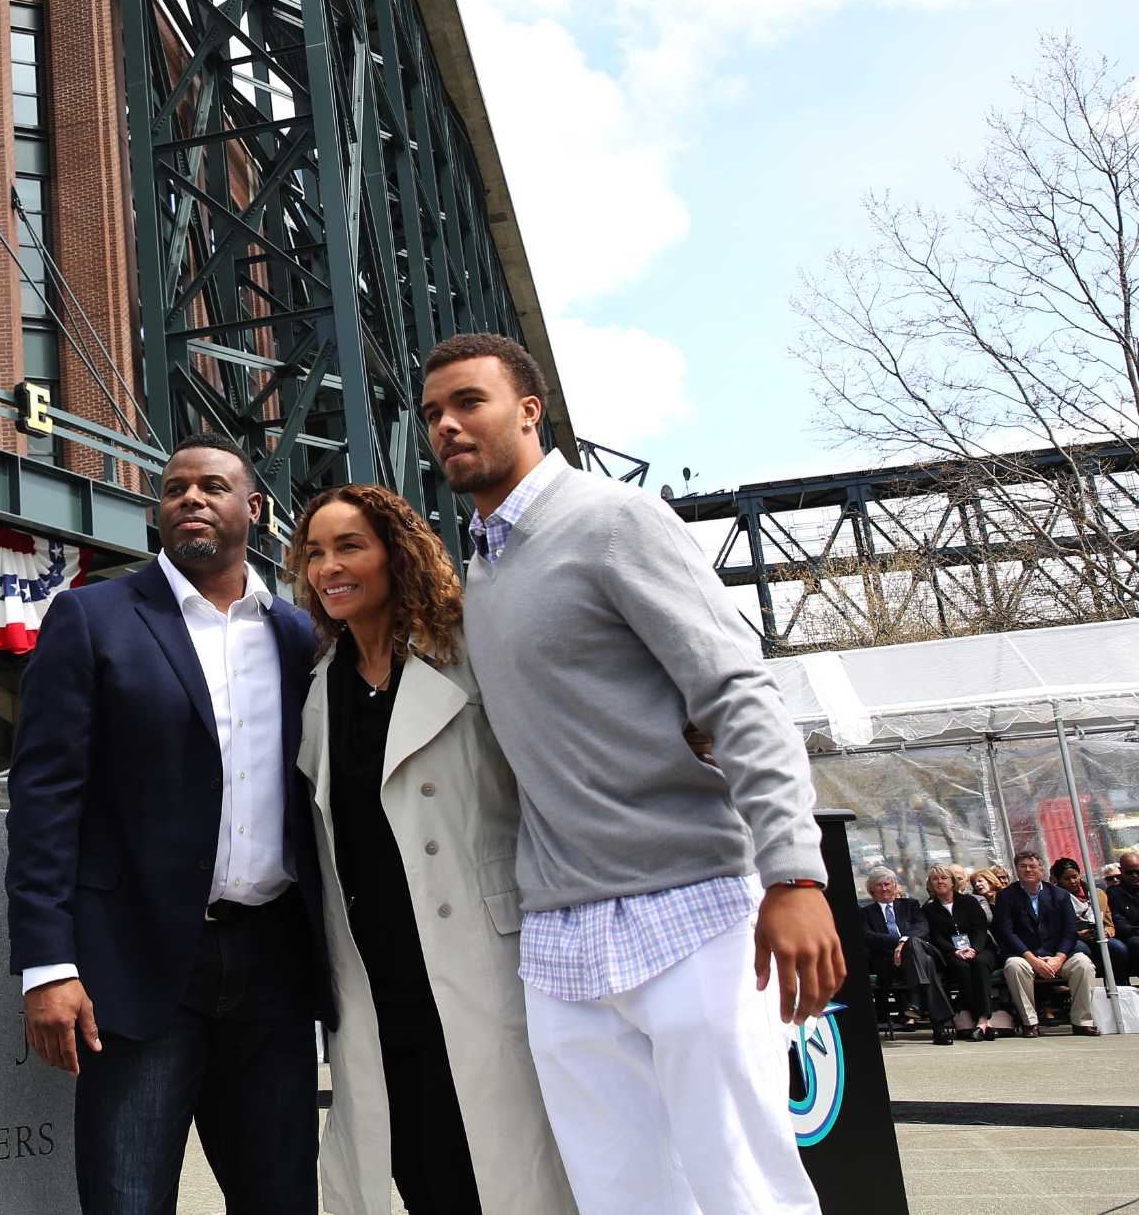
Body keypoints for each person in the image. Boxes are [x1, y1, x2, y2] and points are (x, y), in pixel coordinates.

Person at [421, 333, 839, 1215]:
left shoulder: (615, 518)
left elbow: (736, 690)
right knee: (622, 1200)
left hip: (691, 906)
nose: (447, 425)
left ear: (530, 410)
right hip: (561, 938)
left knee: (745, 1190)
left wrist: (794, 873)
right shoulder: (486, 572)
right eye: (432, 415)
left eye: (469, 402)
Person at [5, 433, 330, 1214]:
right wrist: (47, 963)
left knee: (282, 1197)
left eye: (212, 486)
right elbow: (46, 796)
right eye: (175, 487)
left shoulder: (298, 635)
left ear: (253, 508)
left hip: (273, 970)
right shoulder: (92, 617)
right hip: (140, 967)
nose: (190, 497)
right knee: (127, 1199)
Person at [287, 484, 574, 1215]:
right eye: (315, 552)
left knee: (517, 1175)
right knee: (424, 1172)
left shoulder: (471, 649)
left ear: (397, 552)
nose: (329, 567)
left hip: (485, 963)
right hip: (379, 984)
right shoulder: (319, 688)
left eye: (350, 545)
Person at [992, 851, 1099, 1037]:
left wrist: (1059, 958)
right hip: (1026, 955)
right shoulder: (1006, 896)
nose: (1028, 870)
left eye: (1032, 866)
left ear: (1042, 869)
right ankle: (1030, 1023)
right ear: (1016, 870)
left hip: (1057, 954)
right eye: (1023, 866)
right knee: (1014, 967)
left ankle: (1082, 1021)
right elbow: (1006, 932)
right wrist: (1033, 960)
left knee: (1083, 964)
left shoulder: (1059, 895)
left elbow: (1070, 931)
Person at [860, 869, 956, 1044]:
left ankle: (915, 1001)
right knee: (926, 963)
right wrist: (900, 943)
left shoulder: (910, 905)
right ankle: (938, 1026)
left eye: (887, 884)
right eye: (879, 885)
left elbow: (922, 928)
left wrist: (905, 943)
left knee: (915, 945)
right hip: (890, 963)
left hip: (919, 951)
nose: (884, 888)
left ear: (895, 886)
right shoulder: (865, 912)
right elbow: (868, 937)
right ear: (871, 890)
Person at [921, 866, 996, 1040]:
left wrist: (974, 949)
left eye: (944, 878)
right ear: (930, 884)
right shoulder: (929, 910)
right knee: (960, 968)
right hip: (951, 952)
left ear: (952, 881)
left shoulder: (969, 902)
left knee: (979, 963)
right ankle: (980, 1018)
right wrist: (955, 951)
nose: (940, 882)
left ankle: (983, 1018)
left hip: (980, 948)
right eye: (935, 879)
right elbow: (936, 937)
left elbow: (980, 929)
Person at [1053, 857, 1128, 985]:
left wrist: (1105, 933)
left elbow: (1109, 924)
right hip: (1073, 940)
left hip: (1098, 937)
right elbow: (1052, 929)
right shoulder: (1054, 898)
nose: (1072, 881)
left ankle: (1119, 987)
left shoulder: (1097, 894)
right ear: (1058, 880)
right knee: (1082, 949)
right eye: (1067, 879)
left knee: (1118, 948)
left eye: (1075, 877)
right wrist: (1077, 935)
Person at [1108, 849, 1139, 985]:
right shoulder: (1114, 893)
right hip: (1129, 937)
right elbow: (1120, 924)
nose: (1135, 876)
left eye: (1138, 872)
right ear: (1121, 871)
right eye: (1129, 872)